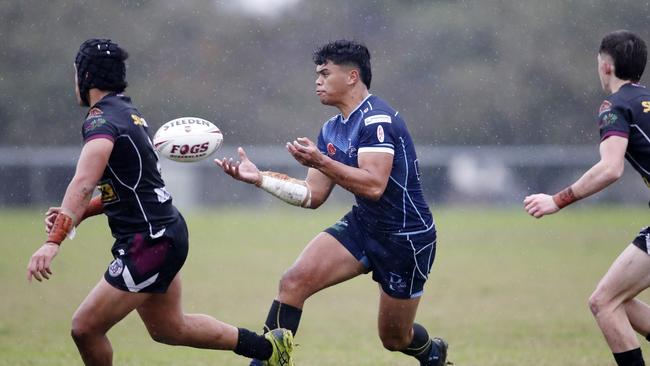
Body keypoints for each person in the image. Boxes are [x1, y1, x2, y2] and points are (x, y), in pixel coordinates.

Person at [26, 38, 294, 366]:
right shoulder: (128, 113)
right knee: (169, 328)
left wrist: (54, 241)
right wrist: (77, 215)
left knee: (85, 328)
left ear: (84, 76)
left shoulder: (100, 120)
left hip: (149, 241)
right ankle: (269, 350)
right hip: (163, 232)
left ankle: (269, 351)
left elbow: (84, 182)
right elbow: (128, 189)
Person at [216, 39, 449, 366]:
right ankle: (266, 360)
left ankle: (433, 353)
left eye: (325, 73)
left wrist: (321, 161)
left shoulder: (376, 120)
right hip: (363, 226)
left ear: (352, 76)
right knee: (293, 282)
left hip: (406, 239)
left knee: (394, 338)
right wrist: (260, 179)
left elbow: (374, 186)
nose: (317, 80)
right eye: (317, 74)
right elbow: (313, 196)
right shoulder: (331, 129)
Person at [524, 30, 650, 366]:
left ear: (606, 67)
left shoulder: (616, 105)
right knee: (615, 300)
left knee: (604, 302)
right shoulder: (647, 100)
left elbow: (610, 169)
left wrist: (557, 200)